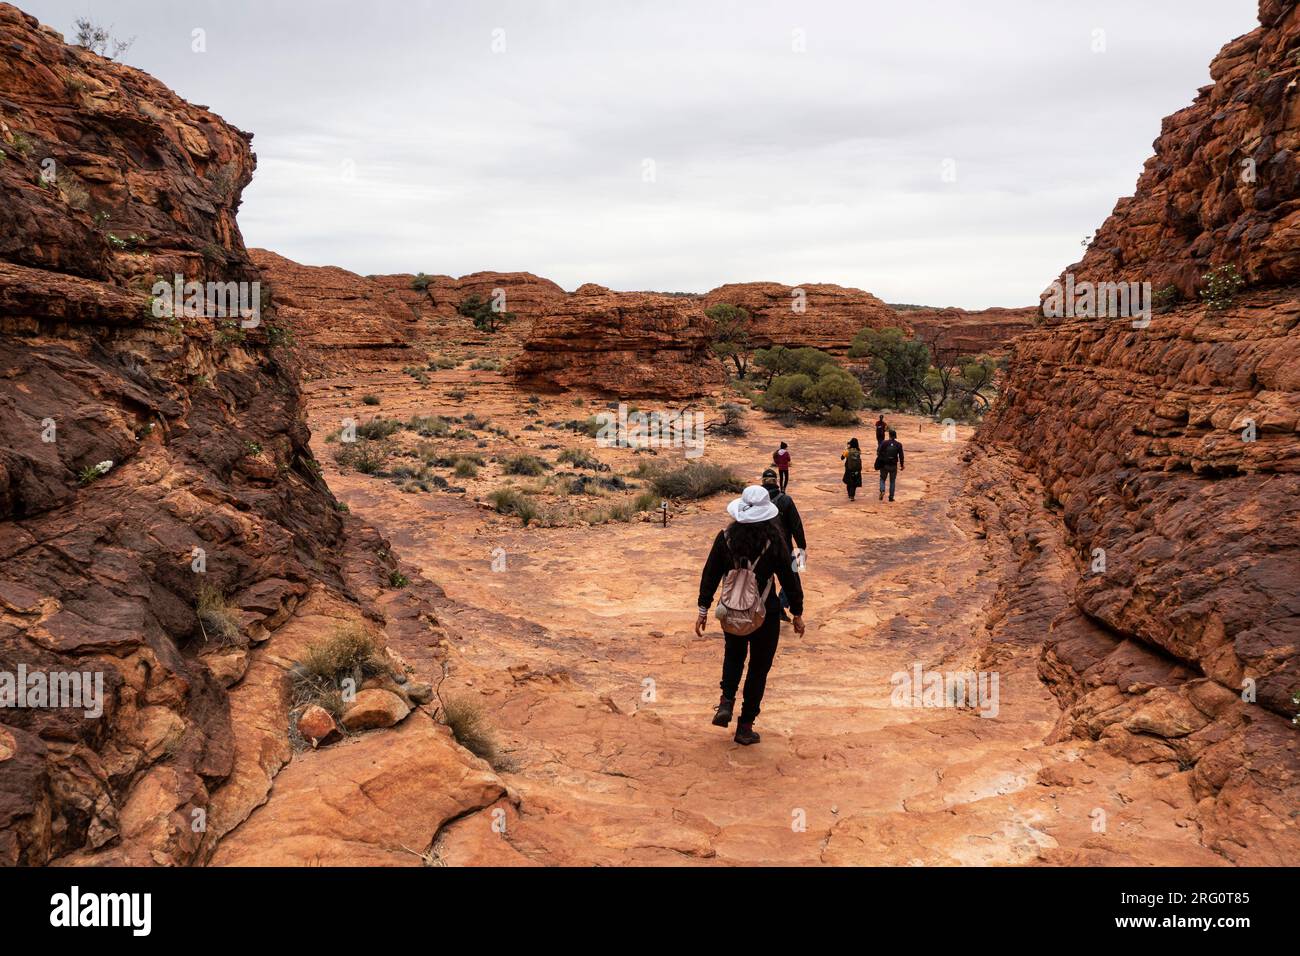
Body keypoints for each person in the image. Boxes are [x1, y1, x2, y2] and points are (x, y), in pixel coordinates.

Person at [696, 486, 806, 746]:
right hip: (764, 613)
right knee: (758, 668)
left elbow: (710, 573)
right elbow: (790, 577)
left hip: (731, 610)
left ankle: (726, 700)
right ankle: (745, 726)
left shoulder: (725, 538)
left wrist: (703, 609)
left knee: (733, 655)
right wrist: (797, 611)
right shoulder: (775, 541)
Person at [760, 468, 806, 621]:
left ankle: (769, 609)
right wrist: (802, 548)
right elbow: (797, 526)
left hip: (761, 549)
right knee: (793, 578)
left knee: (763, 579)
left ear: (762, 482)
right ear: (777, 483)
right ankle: (782, 605)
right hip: (786, 547)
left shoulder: (757, 501)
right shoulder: (786, 500)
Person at [876, 428, 905, 502]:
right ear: (895, 436)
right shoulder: (898, 444)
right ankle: (891, 497)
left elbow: (879, 452)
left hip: (884, 465)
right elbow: (901, 456)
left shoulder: (884, 443)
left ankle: (882, 490)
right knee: (892, 481)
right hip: (893, 465)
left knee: (882, 479)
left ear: (889, 435)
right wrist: (902, 465)